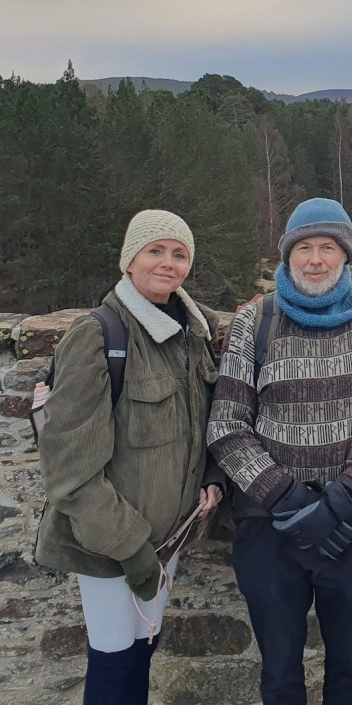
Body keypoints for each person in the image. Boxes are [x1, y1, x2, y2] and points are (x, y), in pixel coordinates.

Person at [207, 197, 352, 705]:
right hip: (268, 528)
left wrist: (341, 499)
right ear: (287, 254)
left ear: (346, 256)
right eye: (304, 248)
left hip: (351, 525)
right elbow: (226, 426)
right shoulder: (256, 323)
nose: (315, 259)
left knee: (351, 671)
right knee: (278, 673)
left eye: (327, 248)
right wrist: (290, 501)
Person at [35, 209, 224, 705]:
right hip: (109, 547)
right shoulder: (97, 336)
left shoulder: (194, 333)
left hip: (168, 540)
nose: (168, 263)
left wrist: (210, 477)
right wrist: (132, 548)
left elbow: (200, 424)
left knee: (143, 653)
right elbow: (71, 471)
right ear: (129, 259)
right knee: (114, 666)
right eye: (155, 251)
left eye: (179, 254)